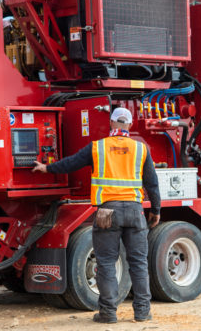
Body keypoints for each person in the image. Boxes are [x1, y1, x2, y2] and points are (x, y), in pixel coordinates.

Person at [32, 106, 161, 324]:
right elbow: (152, 184)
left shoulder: (97, 148)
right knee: (138, 262)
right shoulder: (141, 149)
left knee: (107, 263)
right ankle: (142, 312)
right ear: (129, 125)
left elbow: (71, 163)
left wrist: (46, 168)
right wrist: (156, 210)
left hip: (107, 211)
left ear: (111, 123)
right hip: (134, 210)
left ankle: (108, 313)